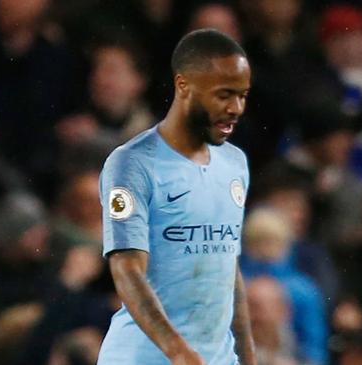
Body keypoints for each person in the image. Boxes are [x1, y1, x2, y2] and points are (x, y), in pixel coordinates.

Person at [97, 29, 256, 365]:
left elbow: (228, 269)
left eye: (242, 96)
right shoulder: (132, 163)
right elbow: (126, 269)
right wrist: (180, 354)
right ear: (183, 85)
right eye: (224, 95)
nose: (236, 108)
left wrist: (247, 358)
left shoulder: (235, 164)